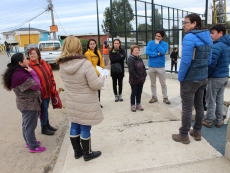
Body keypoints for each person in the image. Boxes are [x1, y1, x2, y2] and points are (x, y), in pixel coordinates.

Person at [56, 36, 105, 162]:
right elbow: (95, 85)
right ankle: (87, 153)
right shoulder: (85, 64)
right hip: (86, 101)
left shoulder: (61, 65)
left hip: (72, 100)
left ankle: (77, 152)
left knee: (75, 124)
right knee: (85, 126)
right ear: (78, 47)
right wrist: (102, 78)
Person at [172, 13, 213, 144]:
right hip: (202, 78)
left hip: (190, 79)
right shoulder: (208, 36)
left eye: (186, 22)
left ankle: (183, 134)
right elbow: (209, 60)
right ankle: (197, 131)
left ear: (194, 23)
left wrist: (181, 77)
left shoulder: (190, 37)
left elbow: (185, 61)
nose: (183, 25)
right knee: (200, 106)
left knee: (187, 108)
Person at [2, 53, 46, 153]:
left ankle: (29, 142)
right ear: (20, 63)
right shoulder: (20, 76)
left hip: (25, 103)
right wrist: (32, 72)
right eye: (25, 58)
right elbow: (36, 85)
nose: (27, 60)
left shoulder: (19, 72)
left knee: (26, 125)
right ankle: (33, 147)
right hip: (29, 104)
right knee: (30, 126)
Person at [203, 24, 230, 128]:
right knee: (219, 99)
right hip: (224, 76)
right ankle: (219, 120)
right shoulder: (227, 45)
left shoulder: (217, 46)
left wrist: (207, 74)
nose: (211, 35)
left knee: (210, 100)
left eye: (213, 33)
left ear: (220, 33)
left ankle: (208, 120)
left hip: (215, 77)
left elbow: (211, 64)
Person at [28, 47, 57, 135]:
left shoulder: (44, 63)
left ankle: (47, 124)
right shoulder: (29, 66)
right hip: (39, 93)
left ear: (38, 54)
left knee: (46, 108)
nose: (32, 55)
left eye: (34, 53)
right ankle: (43, 128)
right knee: (43, 109)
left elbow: (50, 73)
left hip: (48, 90)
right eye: (30, 54)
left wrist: (52, 83)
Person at [146, 30, 171, 104]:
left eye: (159, 36)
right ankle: (154, 97)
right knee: (152, 83)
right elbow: (147, 52)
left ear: (162, 37)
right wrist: (157, 54)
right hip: (151, 66)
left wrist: (157, 44)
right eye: (156, 35)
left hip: (160, 67)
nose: (157, 37)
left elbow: (163, 52)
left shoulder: (165, 44)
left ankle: (165, 97)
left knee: (163, 83)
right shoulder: (150, 43)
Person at [85, 39, 105, 108]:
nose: (92, 45)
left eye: (93, 43)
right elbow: (90, 65)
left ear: (95, 44)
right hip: (93, 73)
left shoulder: (98, 51)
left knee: (99, 88)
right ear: (88, 45)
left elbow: (101, 60)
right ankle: (94, 104)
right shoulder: (87, 53)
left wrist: (102, 69)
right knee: (93, 89)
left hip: (100, 72)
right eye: (91, 44)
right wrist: (98, 73)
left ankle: (98, 102)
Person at [128, 45, 147, 112]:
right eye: (135, 50)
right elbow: (131, 70)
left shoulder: (139, 58)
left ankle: (138, 104)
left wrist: (145, 74)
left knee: (139, 93)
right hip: (134, 80)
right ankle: (132, 105)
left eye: (138, 50)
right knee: (134, 93)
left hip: (141, 79)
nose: (137, 51)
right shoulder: (131, 59)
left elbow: (143, 67)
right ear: (132, 51)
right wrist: (137, 77)